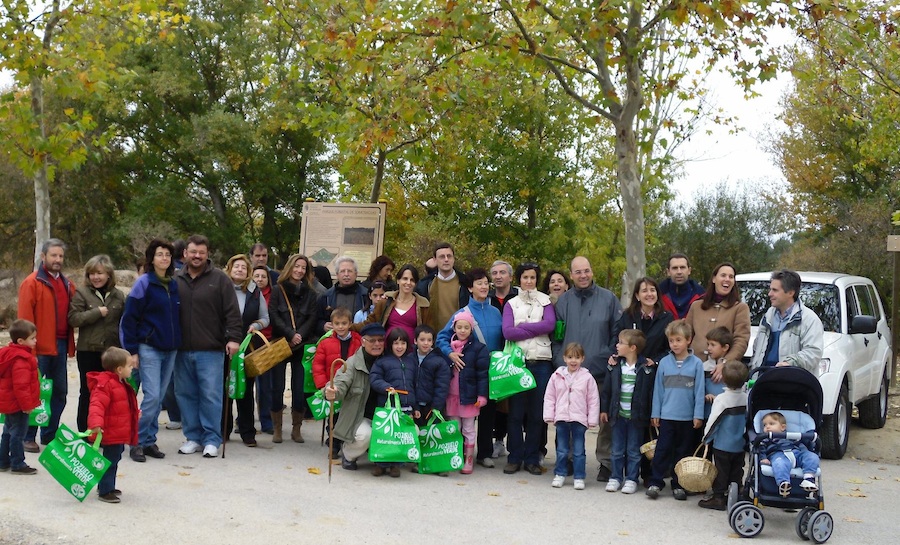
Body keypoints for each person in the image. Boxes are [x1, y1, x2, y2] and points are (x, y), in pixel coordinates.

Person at [552, 256, 622, 482]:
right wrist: (560, 362)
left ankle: (606, 462)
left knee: (605, 418)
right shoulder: (563, 302)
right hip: (569, 372)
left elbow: (616, 334)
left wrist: (606, 359)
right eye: (578, 272)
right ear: (571, 275)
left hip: (600, 370)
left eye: (586, 271)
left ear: (592, 272)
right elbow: (556, 336)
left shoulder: (609, 299)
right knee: (568, 415)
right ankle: (567, 459)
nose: (583, 275)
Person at [173, 235, 242, 458]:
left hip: (211, 349)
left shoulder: (220, 279)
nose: (197, 256)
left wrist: (234, 338)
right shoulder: (175, 279)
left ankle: (212, 438)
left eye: (201, 252)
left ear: (207, 254)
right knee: (185, 394)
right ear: (185, 253)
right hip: (181, 349)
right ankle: (193, 437)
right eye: (193, 252)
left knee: (211, 395)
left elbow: (232, 312)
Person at [120, 240, 181, 461]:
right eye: (160, 254)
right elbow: (129, 319)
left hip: (170, 349)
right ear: (151, 259)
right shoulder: (144, 283)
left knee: (159, 397)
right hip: (149, 347)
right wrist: (132, 350)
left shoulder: (173, 285)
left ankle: (149, 441)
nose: (164, 258)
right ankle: (136, 441)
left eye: (168, 255)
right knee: (152, 397)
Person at [436, 268, 503, 468]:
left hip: (492, 370)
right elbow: (441, 337)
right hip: (469, 372)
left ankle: (484, 453)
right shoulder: (462, 314)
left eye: (486, 283)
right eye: (479, 283)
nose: (483, 286)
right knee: (466, 416)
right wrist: (450, 353)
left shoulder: (495, 312)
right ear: (470, 288)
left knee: (489, 412)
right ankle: (460, 454)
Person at [17, 238, 75, 453]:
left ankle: (49, 434)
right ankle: (28, 436)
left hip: (60, 345)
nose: (58, 259)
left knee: (59, 392)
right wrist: (28, 352)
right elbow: (24, 320)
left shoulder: (68, 284)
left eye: (61, 256)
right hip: (38, 347)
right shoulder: (31, 283)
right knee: (36, 393)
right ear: (43, 257)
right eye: (54, 255)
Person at [501, 262, 555, 475]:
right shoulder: (511, 303)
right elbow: (508, 332)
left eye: (533, 277)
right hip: (518, 363)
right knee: (515, 413)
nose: (529, 281)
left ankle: (532, 458)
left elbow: (549, 325)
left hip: (541, 362)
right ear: (519, 280)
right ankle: (514, 457)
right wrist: (534, 329)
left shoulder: (546, 301)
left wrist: (523, 327)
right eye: (525, 277)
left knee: (536, 414)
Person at [646, 320, 705, 501]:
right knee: (662, 450)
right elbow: (658, 390)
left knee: (682, 452)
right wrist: (656, 413)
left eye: (678, 340)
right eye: (671, 341)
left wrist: (698, 415)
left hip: (687, 418)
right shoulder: (664, 363)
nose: (674, 344)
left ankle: (678, 484)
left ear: (688, 340)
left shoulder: (697, 364)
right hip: (667, 416)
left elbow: (699, 391)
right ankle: (656, 482)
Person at [68, 255, 125, 433]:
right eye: (92, 274)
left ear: (108, 274)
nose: (96, 277)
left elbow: (124, 323)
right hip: (88, 351)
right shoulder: (82, 293)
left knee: (110, 393)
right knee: (88, 393)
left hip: (111, 353)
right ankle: (84, 433)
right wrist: (96, 313)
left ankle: (106, 432)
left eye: (99, 273)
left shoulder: (118, 295)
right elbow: (73, 319)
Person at [324, 322, 388, 471]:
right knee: (364, 436)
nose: (377, 344)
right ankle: (349, 454)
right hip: (360, 417)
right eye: (372, 340)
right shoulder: (352, 363)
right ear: (363, 341)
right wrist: (332, 390)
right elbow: (340, 383)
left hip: (385, 416)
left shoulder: (390, 360)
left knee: (413, 430)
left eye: (380, 340)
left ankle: (386, 459)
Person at [270, 253, 319, 444]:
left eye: (303, 268)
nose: (299, 270)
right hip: (281, 343)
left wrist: (299, 336)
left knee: (299, 389)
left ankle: (296, 428)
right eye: (297, 266)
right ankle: (277, 428)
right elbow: (274, 315)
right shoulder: (277, 290)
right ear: (290, 267)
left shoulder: (311, 293)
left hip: (302, 345)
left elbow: (312, 317)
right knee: (277, 387)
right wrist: (290, 334)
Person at [601, 330, 656, 495]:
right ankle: (615, 477)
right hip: (617, 415)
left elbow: (651, 394)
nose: (617, 346)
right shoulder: (614, 366)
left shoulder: (646, 368)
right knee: (617, 449)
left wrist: (652, 414)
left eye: (621, 343)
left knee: (633, 450)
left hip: (637, 417)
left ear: (632, 348)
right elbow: (607, 390)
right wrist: (604, 409)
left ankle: (632, 479)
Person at [224, 254, 270, 447]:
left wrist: (256, 325)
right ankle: (223, 430)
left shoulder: (255, 291)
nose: (240, 269)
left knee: (246, 390)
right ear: (230, 268)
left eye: (244, 267)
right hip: (223, 345)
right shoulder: (221, 288)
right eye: (237, 266)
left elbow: (265, 317)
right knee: (223, 388)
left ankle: (247, 432)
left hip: (246, 347)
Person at [544, 342, 600, 491]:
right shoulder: (556, 376)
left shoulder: (587, 378)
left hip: (579, 419)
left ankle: (579, 476)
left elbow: (593, 399)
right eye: (570, 357)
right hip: (562, 418)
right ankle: (560, 473)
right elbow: (550, 397)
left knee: (579, 450)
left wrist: (592, 419)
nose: (573, 361)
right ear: (564, 358)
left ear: (582, 359)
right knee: (562, 449)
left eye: (577, 357)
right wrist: (549, 414)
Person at [87, 347, 139, 503]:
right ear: (119, 369)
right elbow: (97, 406)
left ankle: (106, 485)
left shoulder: (120, 383)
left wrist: (135, 413)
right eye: (129, 366)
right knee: (110, 461)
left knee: (114, 458)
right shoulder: (106, 385)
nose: (132, 368)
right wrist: (96, 423)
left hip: (118, 430)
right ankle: (105, 491)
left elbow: (122, 405)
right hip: (110, 431)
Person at [684, 262, 750, 382]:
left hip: (721, 374)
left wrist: (725, 363)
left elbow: (741, 340)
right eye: (723, 275)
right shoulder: (696, 306)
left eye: (731, 277)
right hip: (692, 370)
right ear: (714, 279)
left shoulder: (740, 308)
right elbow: (685, 336)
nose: (727, 279)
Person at [748, 270, 824, 372]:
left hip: (792, 379)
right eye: (770, 289)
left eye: (775, 290)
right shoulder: (767, 317)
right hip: (763, 378)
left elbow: (813, 353)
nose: (769, 294)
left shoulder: (809, 320)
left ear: (791, 293)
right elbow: (756, 350)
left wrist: (789, 364)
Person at [443, 310, 489, 474]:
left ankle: (468, 459)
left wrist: (482, 395)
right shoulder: (448, 349)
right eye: (459, 327)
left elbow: (482, 374)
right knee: (454, 428)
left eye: (466, 327)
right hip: (451, 396)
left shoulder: (478, 349)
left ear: (471, 329)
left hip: (469, 397)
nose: (462, 330)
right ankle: (456, 456)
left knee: (468, 429)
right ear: (454, 328)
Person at [369, 328, 419, 478]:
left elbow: (414, 386)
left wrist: (415, 407)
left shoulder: (411, 362)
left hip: (406, 407)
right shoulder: (382, 361)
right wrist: (385, 387)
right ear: (390, 344)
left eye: (403, 343)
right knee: (386, 435)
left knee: (400, 436)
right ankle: (380, 463)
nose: (399, 347)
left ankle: (396, 465)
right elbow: (374, 379)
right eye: (396, 343)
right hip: (388, 406)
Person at [699, 359, 748, 510]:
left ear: (724, 380)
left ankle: (718, 497)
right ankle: (736, 494)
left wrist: (706, 438)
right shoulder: (746, 398)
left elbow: (714, 421)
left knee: (721, 471)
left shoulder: (721, 400)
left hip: (722, 444)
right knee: (737, 469)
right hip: (740, 444)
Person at [0, 320, 40, 475]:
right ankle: (17, 463)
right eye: (32, 338)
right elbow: (21, 386)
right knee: (18, 434)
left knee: (8, 431)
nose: (35, 341)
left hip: (9, 402)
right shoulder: (22, 359)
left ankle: (3, 461)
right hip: (18, 404)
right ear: (21, 341)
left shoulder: (9, 353)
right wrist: (27, 405)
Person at [359, 264, 431, 350]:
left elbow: (429, 330)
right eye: (405, 279)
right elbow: (370, 322)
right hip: (387, 351)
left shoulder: (423, 305)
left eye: (412, 280)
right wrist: (348, 326)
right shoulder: (386, 301)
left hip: (412, 352)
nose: (408, 283)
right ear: (398, 280)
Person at [759, 411, 820, 496]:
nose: (767, 427)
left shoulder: (792, 436)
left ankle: (808, 479)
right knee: (779, 464)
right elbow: (761, 449)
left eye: (771, 424)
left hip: (796, 453)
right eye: (765, 425)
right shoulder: (765, 439)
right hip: (778, 454)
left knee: (812, 456)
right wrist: (763, 458)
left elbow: (801, 445)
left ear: (783, 427)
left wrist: (805, 453)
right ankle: (784, 483)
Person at [415, 242, 468, 331]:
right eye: (442, 257)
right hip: (432, 336)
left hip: (459, 335)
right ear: (435, 260)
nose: (446, 259)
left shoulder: (465, 283)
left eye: (449, 256)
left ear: (454, 259)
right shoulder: (424, 285)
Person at [251, 265, 276, 434]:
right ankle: (243, 421)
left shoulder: (274, 295)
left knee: (265, 386)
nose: (260, 279)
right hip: (247, 341)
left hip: (266, 343)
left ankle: (266, 421)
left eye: (263, 276)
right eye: (256, 276)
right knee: (245, 384)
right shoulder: (247, 293)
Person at [317, 256, 369, 333]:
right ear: (337, 274)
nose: (346, 274)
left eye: (350, 271)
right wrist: (323, 326)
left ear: (356, 274)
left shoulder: (366, 295)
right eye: (342, 271)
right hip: (333, 336)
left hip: (359, 336)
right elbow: (317, 320)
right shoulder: (326, 296)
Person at [412, 325, 450, 423]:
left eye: (429, 340)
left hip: (431, 407)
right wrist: (414, 405)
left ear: (433, 342)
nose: (426, 343)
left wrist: (436, 406)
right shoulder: (409, 358)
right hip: (414, 406)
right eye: (422, 340)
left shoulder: (439, 361)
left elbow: (442, 387)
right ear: (415, 341)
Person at [658, 253, 705, 319]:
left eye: (682, 267)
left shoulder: (702, 296)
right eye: (675, 268)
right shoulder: (658, 296)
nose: (679, 272)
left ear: (689, 271)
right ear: (668, 272)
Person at [702, 327, 732, 420]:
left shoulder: (732, 368)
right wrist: (705, 395)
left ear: (725, 347)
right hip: (707, 414)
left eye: (713, 345)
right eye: (708, 344)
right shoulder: (703, 366)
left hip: (726, 414)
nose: (709, 348)